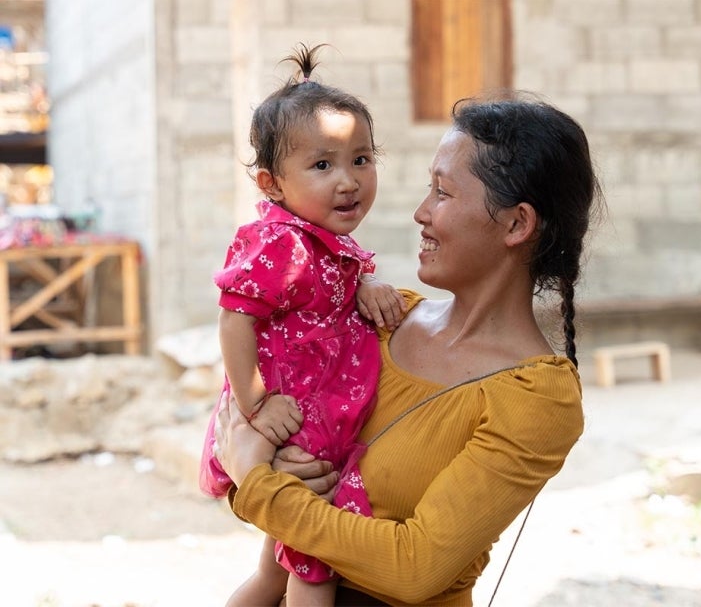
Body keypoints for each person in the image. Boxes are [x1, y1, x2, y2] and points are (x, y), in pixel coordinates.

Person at [214, 93, 603, 606]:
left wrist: (262, 484)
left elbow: (414, 567)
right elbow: (237, 437)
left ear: (516, 224)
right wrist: (258, 478)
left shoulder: (537, 397)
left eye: (442, 193)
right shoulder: (378, 317)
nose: (421, 213)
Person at [199, 43, 407, 607]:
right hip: (297, 423)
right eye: (322, 165)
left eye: (361, 159)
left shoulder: (332, 245)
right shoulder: (279, 241)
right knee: (316, 569)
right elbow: (235, 321)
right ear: (271, 184)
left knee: (273, 575)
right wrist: (257, 403)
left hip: (323, 416)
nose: (349, 181)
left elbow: (331, 298)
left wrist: (367, 288)